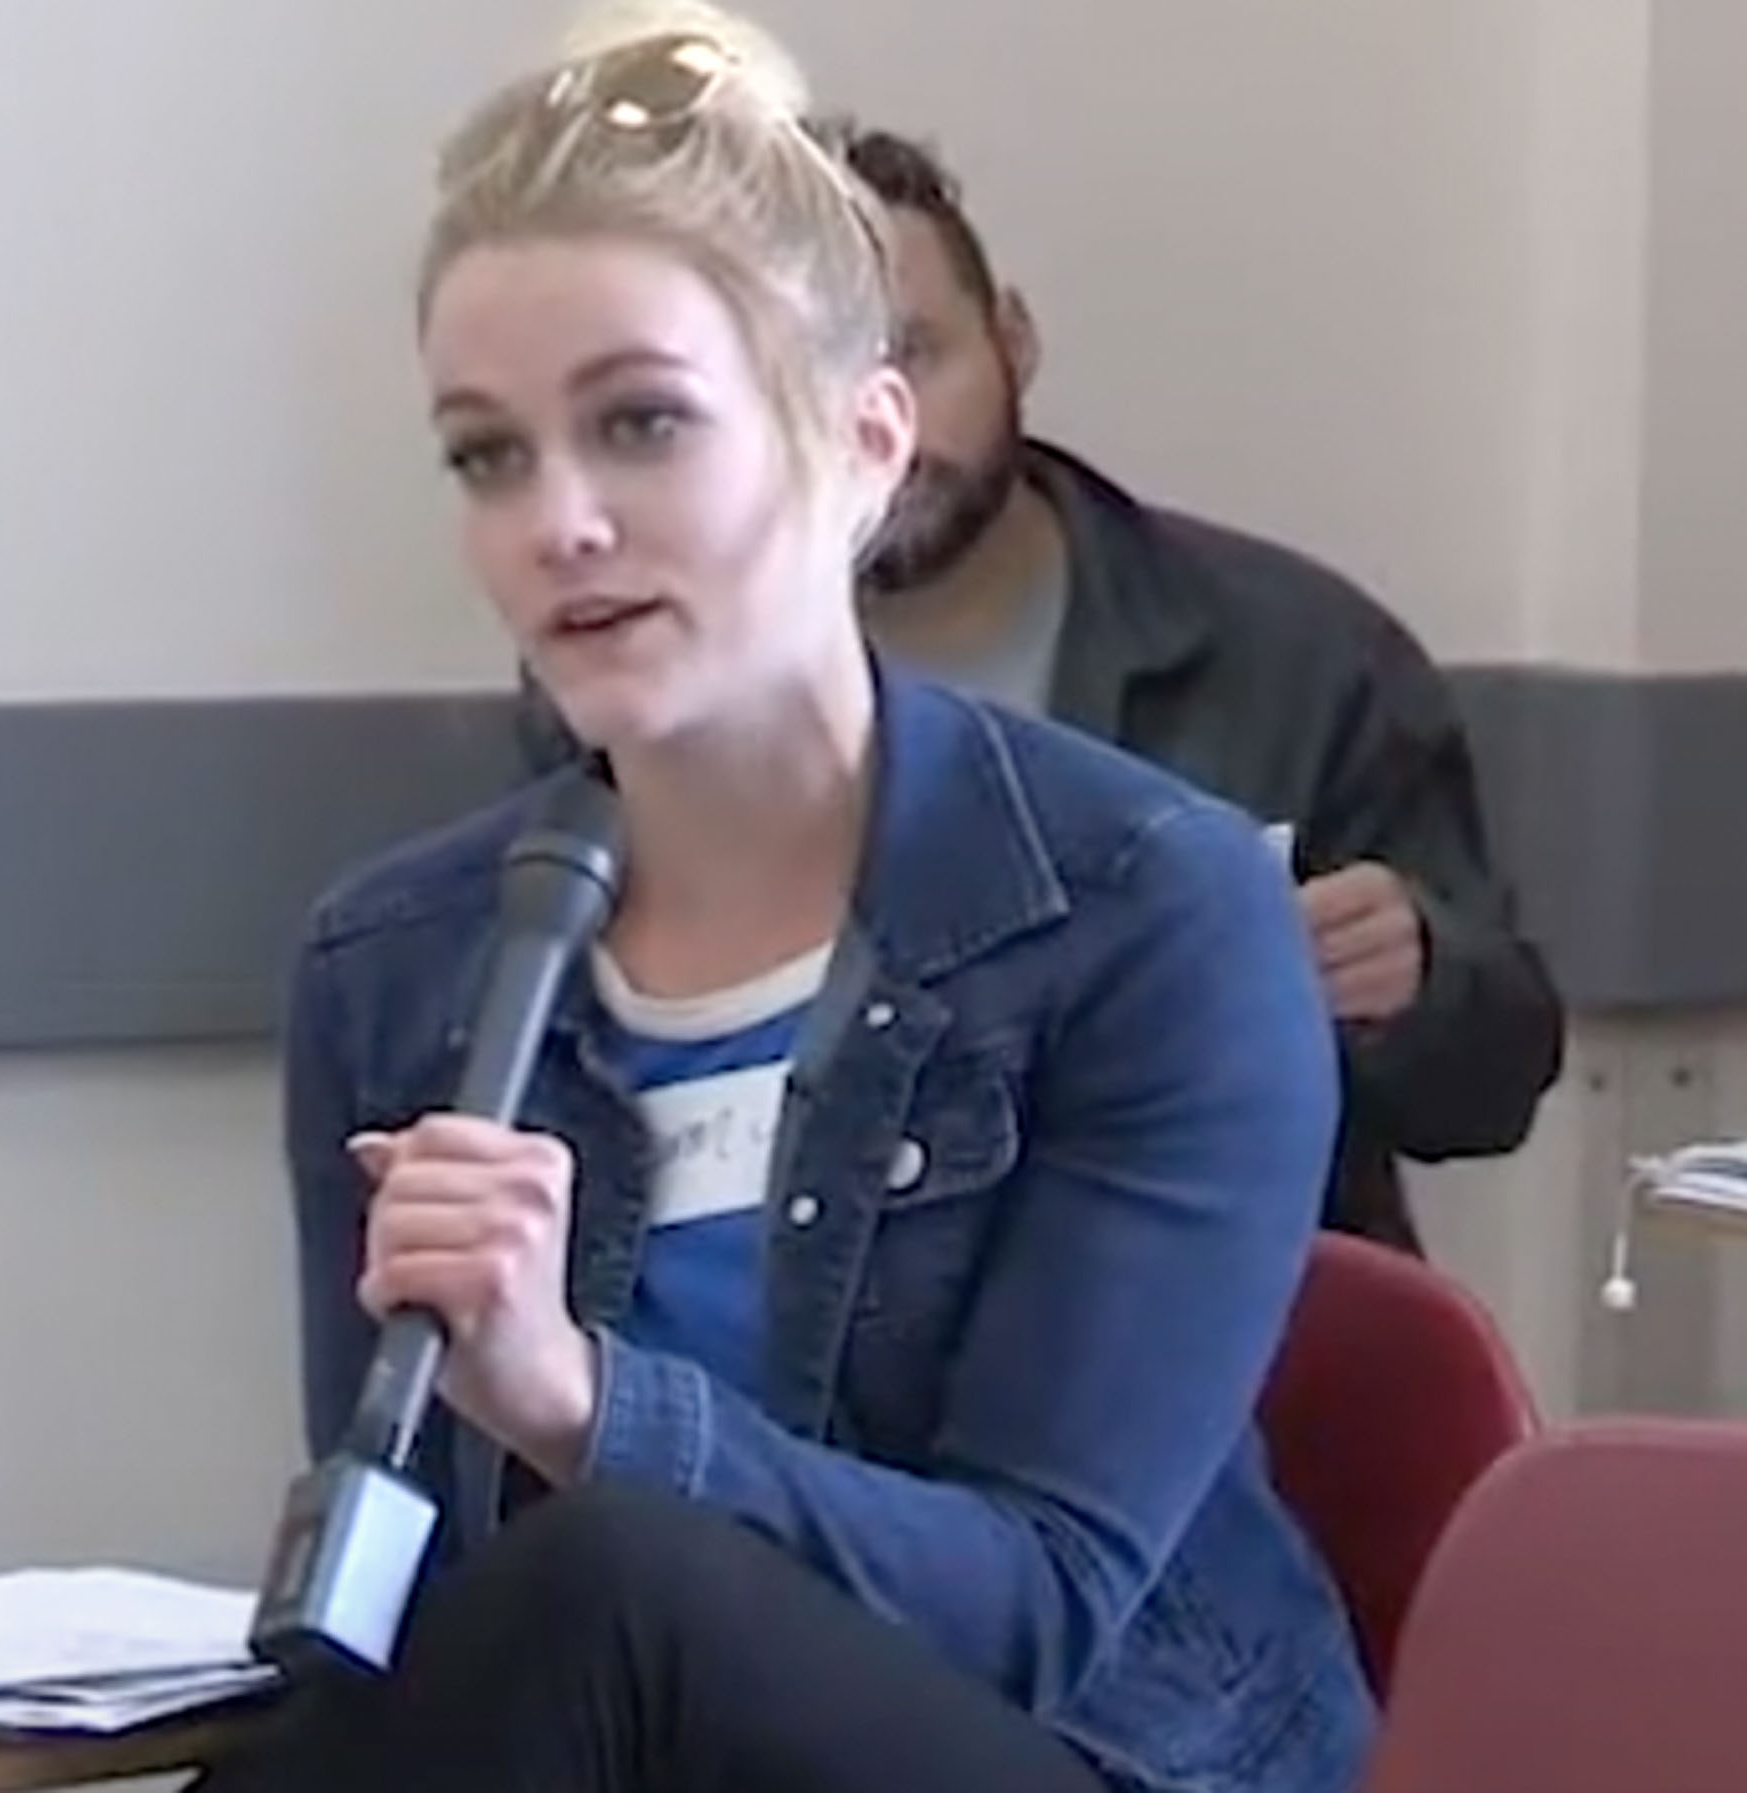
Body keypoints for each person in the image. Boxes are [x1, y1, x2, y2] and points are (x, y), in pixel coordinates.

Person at [218, 7, 1373, 1790]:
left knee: (608, 1574)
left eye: (643, 424)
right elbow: (407, 1605)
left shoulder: (1153, 909)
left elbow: (1038, 1606)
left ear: (864, 442)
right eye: (487, 453)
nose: (561, 522)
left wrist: (580, 1402)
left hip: (1081, 1752)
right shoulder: (400, 964)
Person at [818, 121, 1566, 1254]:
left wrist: (1419, 976)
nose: (878, 427)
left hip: (1247, 1349)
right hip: (810, 1360)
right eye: (808, 376)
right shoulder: (659, 687)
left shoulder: (1298, 654)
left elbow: (1492, 1087)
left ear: (1012, 341)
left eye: (913, 353)